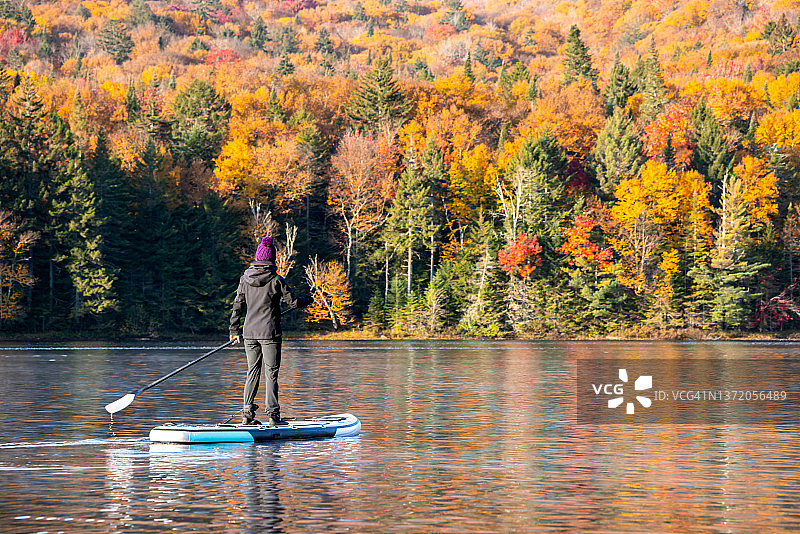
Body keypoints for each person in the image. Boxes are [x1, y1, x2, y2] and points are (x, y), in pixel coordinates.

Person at [229, 236, 313, 426]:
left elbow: (237, 306)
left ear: (258, 258)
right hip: (270, 333)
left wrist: (234, 329)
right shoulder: (276, 280)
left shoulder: (244, 279)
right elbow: (294, 302)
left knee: (252, 372)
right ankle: (273, 416)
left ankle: (247, 415)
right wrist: (308, 299)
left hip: (249, 333)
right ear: (272, 259)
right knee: (271, 374)